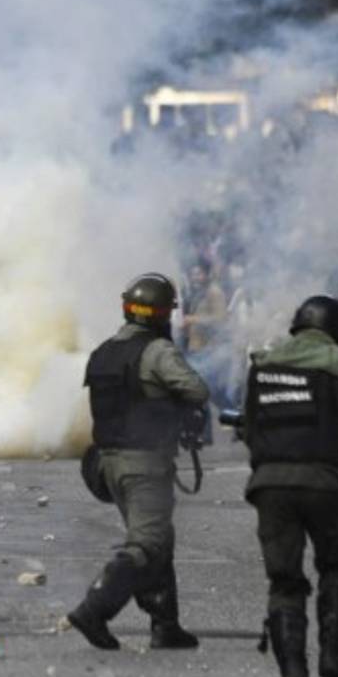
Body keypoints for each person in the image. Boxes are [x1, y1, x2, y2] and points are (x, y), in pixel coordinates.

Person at [240, 296, 338, 677]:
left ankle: (293, 676)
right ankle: (333, 658)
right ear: (335, 328)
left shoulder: (262, 363)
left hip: (270, 487)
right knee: (336, 569)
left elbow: (248, 428)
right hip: (324, 484)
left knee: (284, 584)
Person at [67, 272, 209, 651]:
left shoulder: (104, 351)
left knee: (158, 539)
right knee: (147, 544)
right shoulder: (157, 351)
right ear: (163, 313)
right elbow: (196, 389)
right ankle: (94, 609)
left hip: (107, 463)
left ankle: (165, 624)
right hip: (143, 462)